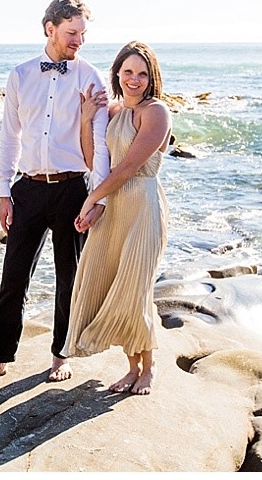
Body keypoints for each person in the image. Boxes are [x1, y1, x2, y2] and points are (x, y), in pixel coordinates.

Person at [0, 0, 111, 384]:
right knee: (12, 277)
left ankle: (60, 355)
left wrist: (95, 198)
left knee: (70, 278)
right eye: (71, 33)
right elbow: (9, 137)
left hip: (72, 190)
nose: (78, 40)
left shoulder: (91, 77)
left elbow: (100, 145)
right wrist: (3, 192)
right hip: (28, 190)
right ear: (49, 29)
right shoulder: (20, 75)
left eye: (82, 33)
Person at [61, 40, 172, 395]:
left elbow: (128, 167)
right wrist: (85, 119)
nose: (134, 79)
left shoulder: (156, 112)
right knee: (111, 282)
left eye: (142, 73)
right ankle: (131, 367)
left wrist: (91, 198)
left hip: (142, 205)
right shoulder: (113, 111)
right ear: (117, 74)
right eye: (128, 72)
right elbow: (96, 160)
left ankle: (149, 368)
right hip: (113, 206)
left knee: (135, 287)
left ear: (151, 77)